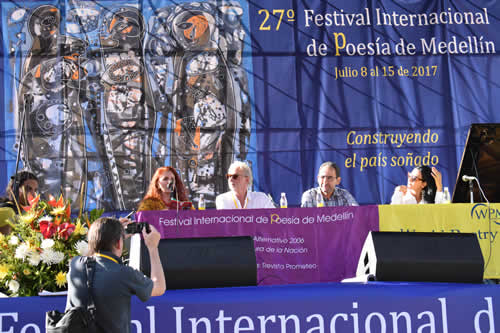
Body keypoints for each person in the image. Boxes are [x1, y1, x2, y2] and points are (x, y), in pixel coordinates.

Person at [66, 217, 166, 333]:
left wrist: (106, 233)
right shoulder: (124, 273)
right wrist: (153, 247)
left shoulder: (75, 265)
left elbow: (90, 253)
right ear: (119, 243)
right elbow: (159, 287)